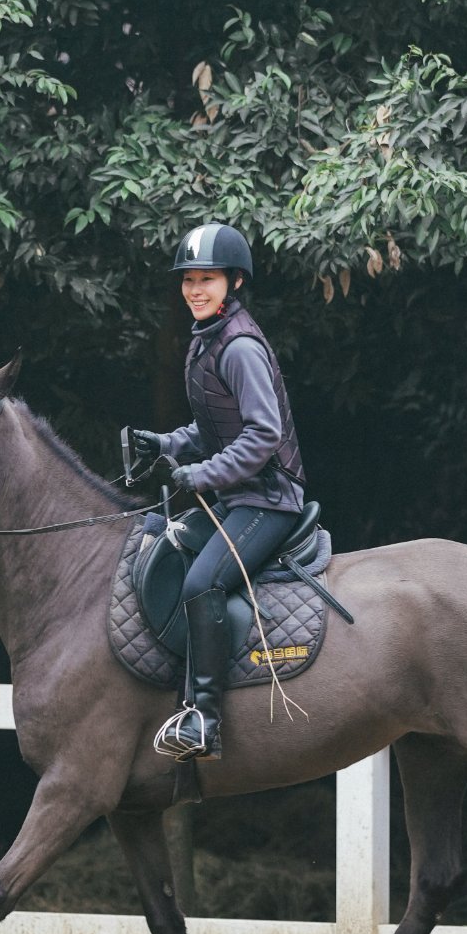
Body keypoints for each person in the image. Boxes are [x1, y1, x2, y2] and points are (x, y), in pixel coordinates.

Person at [124, 224, 308, 762]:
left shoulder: (240, 346)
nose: (195, 289)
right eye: (188, 280)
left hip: (268, 498)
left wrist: (204, 475)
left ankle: (204, 717)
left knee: (202, 583)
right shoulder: (209, 338)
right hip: (238, 494)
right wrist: (166, 444)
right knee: (167, 543)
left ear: (233, 282)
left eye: (206, 279)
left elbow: (262, 435)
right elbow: (214, 428)